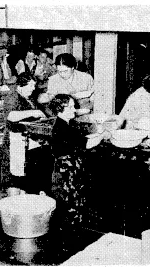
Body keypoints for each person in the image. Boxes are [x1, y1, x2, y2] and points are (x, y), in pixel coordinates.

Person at [47, 94, 91, 228]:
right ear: (60, 109)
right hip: (66, 173)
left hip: (67, 171)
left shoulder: (66, 124)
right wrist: (103, 135)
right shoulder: (63, 128)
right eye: (70, 107)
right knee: (70, 205)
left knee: (71, 203)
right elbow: (86, 144)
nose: (74, 110)